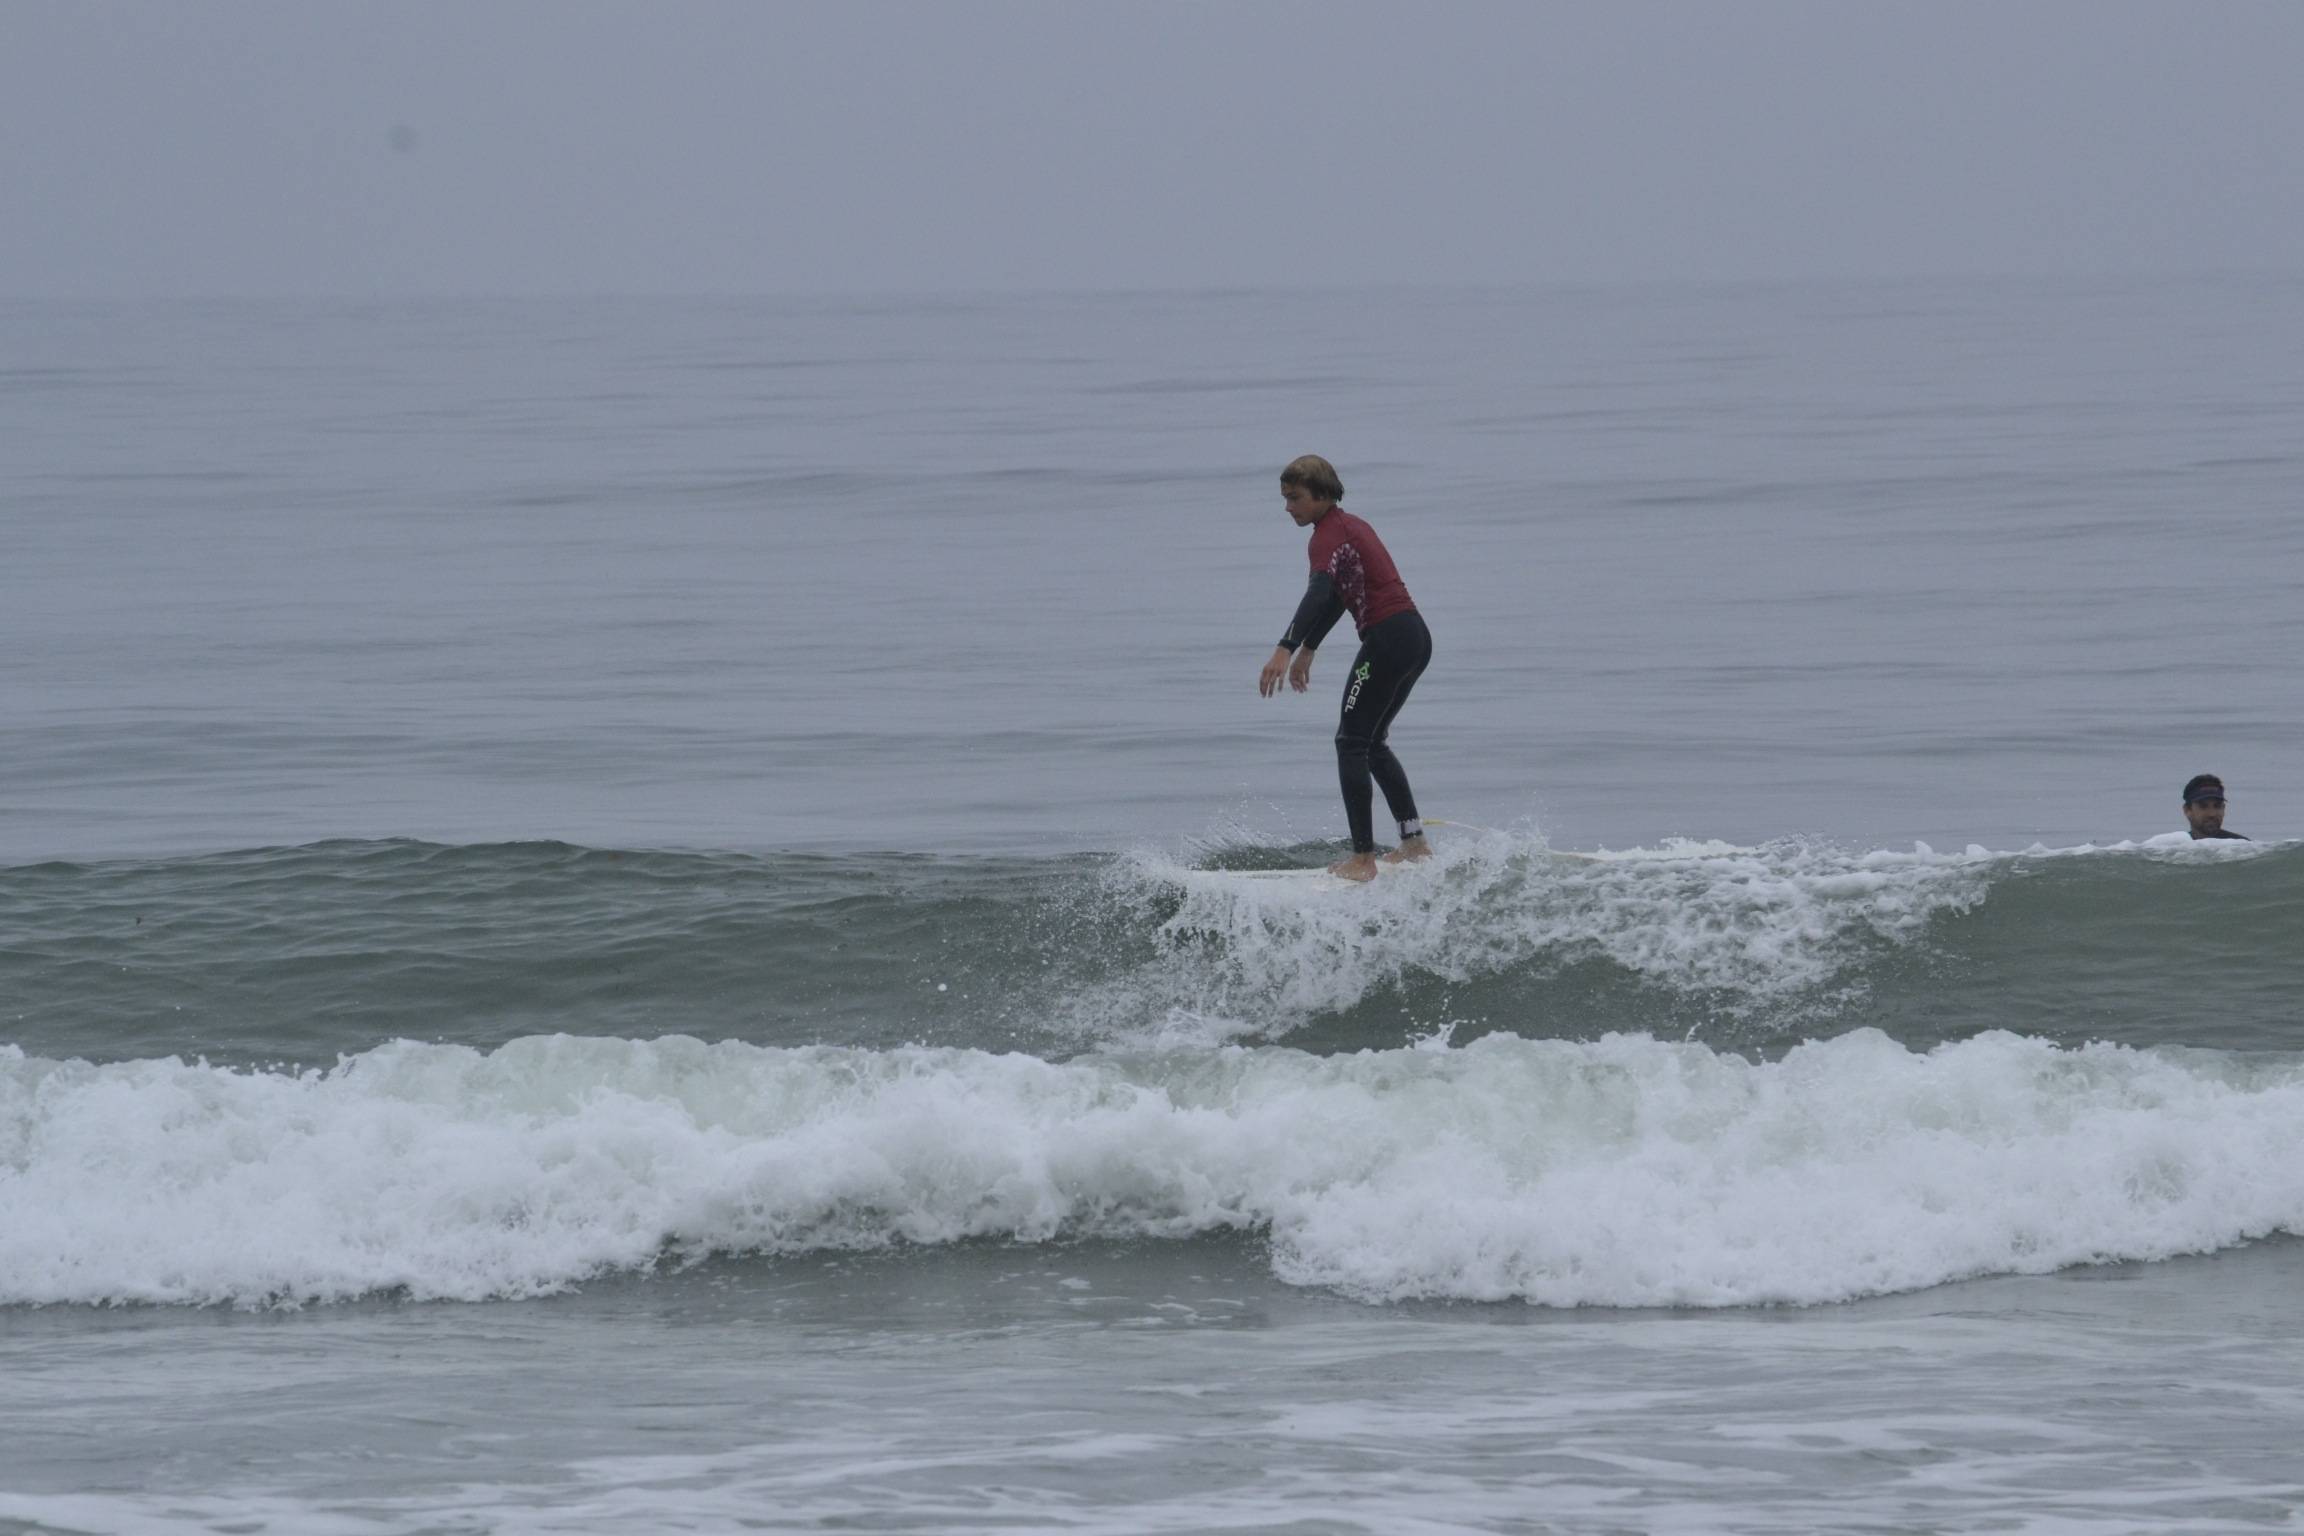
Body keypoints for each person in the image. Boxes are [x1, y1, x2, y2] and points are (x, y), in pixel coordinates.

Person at [1256, 455, 1433, 881]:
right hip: (1413, 638)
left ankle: (1362, 859)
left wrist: (1285, 647)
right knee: (1371, 743)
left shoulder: (1326, 537)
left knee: (1350, 742)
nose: (1287, 507)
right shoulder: (1350, 527)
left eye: (1295, 498)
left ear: (1321, 494)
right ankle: (1413, 844)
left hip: (1387, 641)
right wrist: (1310, 647)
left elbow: (1319, 593)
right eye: (1285, 498)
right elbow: (1340, 593)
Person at [2180, 774, 2248, 840]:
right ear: (2187, 810)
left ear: (2223, 808)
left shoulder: (2242, 845)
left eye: (2217, 806)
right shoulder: (2177, 845)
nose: (2212, 814)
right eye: (2203, 806)